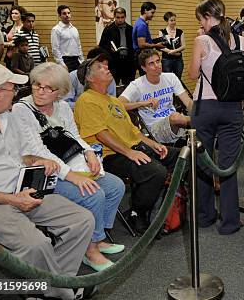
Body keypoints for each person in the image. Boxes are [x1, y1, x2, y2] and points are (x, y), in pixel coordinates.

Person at [0, 63, 95, 300]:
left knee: (82, 221)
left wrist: (37, 159)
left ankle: (46, 288)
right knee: (37, 245)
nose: (17, 94)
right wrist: (12, 199)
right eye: (12, 89)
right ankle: (62, 292)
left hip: (25, 191)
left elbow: (22, 155)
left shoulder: (9, 118)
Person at [12, 62, 126, 272]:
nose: (40, 91)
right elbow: (39, 152)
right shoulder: (22, 110)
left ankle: (98, 238)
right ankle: (89, 252)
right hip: (41, 172)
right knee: (94, 195)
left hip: (70, 163)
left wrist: (88, 152)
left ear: (60, 92)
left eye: (49, 88)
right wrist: (72, 176)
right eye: (37, 85)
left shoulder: (63, 106)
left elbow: (74, 135)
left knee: (116, 186)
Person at [74, 55, 179, 234]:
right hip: (108, 157)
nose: (106, 67)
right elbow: (101, 135)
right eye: (100, 67)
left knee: (182, 155)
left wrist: (153, 144)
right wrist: (130, 153)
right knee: (155, 171)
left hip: (133, 148)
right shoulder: (86, 100)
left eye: (105, 65)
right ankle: (137, 212)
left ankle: (172, 207)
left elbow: (134, 131)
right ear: (89, 78)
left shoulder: (114, 101)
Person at [188, 0, 244, 235]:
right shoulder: (241, 40)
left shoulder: (201, 40)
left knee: (203, 162)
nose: (200, 24)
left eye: (200, 19)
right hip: (232, 108)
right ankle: (230, 221)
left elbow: (192, 74)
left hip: (205, 107)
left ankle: (205, 216)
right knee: (228, 165)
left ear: (206, 17)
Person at [119, 49, 192, 145]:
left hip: (177, 122)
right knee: (175, 117)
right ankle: (199, 121)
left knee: (185, 115)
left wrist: (198, 111)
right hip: (155, 128)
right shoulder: (137, 85)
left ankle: (198, 121)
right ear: (144, 68)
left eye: (158, 61)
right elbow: (118, 104)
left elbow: (188, 102)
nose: (157, 65)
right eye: (151, 63)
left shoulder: (171, 77)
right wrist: (142, 103)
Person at [99, 7, 135, 85]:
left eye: (122, 17)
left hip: (128, 62)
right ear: (114, 17)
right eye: (118, 17)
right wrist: (110, 50)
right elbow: (102, 46)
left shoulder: (131, 29)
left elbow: (134, 46)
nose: (120, 20)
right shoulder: (108, 29)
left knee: (129, 86)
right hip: (114, 62)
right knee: (112, 85)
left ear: (125, 17)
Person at [51, 5, 84, 71]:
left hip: (76, 60)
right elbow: (55, 49)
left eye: (68, 13)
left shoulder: (74, 29)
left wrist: (82, 61)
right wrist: (61, 63)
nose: (67, 15)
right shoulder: (56, 29)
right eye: (64, 13)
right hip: (65, 61)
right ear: (59, 15)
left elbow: (78, 46)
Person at [158, 11, 186, 79]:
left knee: (178, 79)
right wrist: (170, 51)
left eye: (174, 20)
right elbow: (161, 47)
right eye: (171, 20)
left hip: (178, 60)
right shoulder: (162, 32)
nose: (174, 22)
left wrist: (175, 51)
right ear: (167, 21)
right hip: (166, 60)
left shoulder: (180, 32)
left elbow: (183, 46)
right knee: (167, 79)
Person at [3, 5, 26, 69]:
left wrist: (8, 43)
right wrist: (7, 43)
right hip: (9, 57)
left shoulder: (24, 27)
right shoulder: (9, 27)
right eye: (12, 13)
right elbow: (5, 41)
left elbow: (23, 42)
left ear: (21, 15)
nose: (13, 15)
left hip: (20, 57)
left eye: (16, 13)